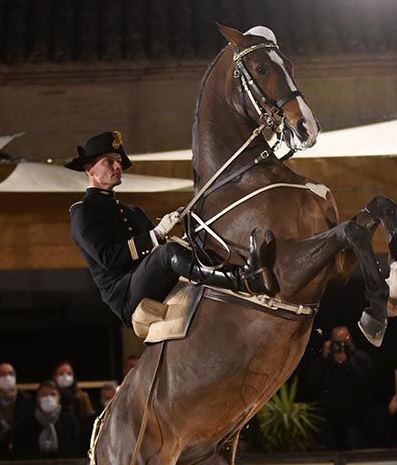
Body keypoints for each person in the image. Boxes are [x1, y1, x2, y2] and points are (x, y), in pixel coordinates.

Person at [67, 130, 279, 328]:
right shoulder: (83, 212)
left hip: (150, 280)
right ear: (89, 169)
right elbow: (109, 258)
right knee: (167, 254)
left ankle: (246, 273)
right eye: (109, 161)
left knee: (194, 247)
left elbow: (155, 251)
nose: (117, 166)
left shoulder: (133, 212)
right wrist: (157, 234)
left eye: (119, 161)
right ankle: (243, 281)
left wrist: (182, 238)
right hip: (126, 295)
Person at [309, 332, 372, 449]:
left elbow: (365, 381)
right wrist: (324, 356)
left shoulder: (359, 358)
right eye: (336, 342)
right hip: (328, 419)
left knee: (355, 453)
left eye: (343, 341)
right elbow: (312, 381)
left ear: (350, 341)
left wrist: (347, 362)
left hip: (353, 418)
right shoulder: (327, 360)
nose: (338, 345)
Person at [15, 382, 83, 459]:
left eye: (53, 394)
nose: (48, 398)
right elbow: (21, 453)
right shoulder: (24, 424)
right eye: (43, 395)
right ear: (37, 398)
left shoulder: (71, 423)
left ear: (59, 397)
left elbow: (74, 452)